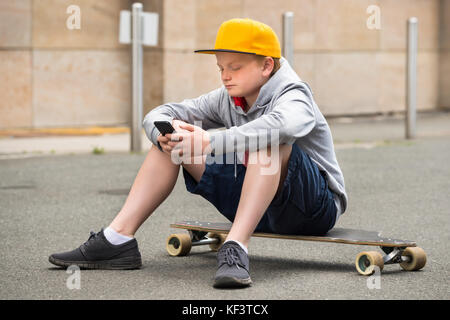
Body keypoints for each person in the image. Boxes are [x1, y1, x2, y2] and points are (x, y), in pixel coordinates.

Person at [49, 18, 347, 289]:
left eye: (235, 67)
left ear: (267, 66)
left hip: (311, 209)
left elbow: (283, 126)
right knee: (172, 137)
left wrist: (210, 142)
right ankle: (118, 239)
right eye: (221, 68)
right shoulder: (228, 97)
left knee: (267, 139)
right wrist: (163, 134)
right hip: (256, 205)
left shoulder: (294, 94)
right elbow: (162, 112)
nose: (225, 76)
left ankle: (236, 248)